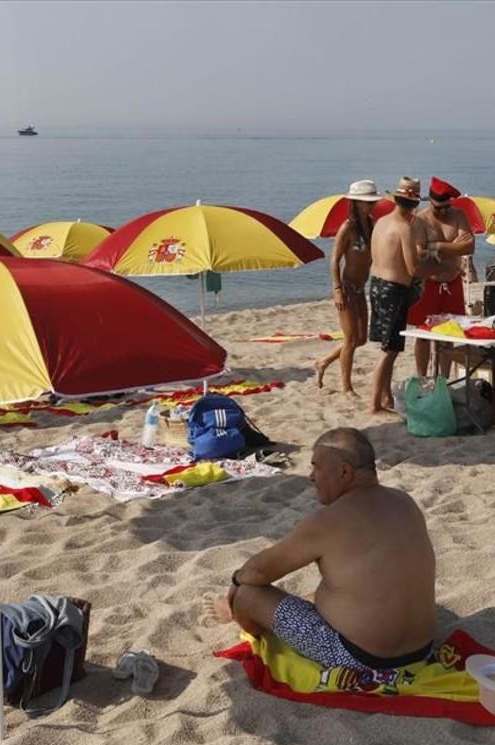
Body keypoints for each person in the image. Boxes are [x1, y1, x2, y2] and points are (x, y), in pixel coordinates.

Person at [201, 428, 436, 671]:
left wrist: (234, 590)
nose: (312, 476)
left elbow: (257, 573)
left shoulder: (330, 520)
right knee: (339, 585)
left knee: (248, 594)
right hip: (422, 649)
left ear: (345, 471)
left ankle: (235, 613)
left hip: (362, 658)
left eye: (316, 467)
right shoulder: (404, 501)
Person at [367, 177, 433, 415]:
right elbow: (412, 268)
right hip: (393, 289)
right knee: (389, 349)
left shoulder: (381, 222)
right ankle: (374, 402)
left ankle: (384, 397)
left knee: (388, 345)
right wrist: (435, 269)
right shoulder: (404, 228)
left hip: (375, 284)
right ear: (414, 205)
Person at [314, 180, 381, 397]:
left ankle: (324, 361)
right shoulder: (348, 227)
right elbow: (334, 260)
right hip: (347, 287)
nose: (371, 206)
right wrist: (337, 289)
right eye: (367, 202)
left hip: (361, 288)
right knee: (351, 339)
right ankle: (346, 386)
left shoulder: (371, 226)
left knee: (361, 338)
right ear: (357, 203)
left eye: (372, 202)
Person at [408, 177, 474, 378]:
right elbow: (418, 252)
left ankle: (443, 379)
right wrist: (453, 245)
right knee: (423, 334)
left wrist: (436, 246)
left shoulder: (458, 215)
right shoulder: (421, 219)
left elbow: (469, 245)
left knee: (448, 334)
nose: (443, 211)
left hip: (452, 282)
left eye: (447, 207)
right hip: (428, 283)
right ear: (430, 202)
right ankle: (422, 376)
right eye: (439, 208)